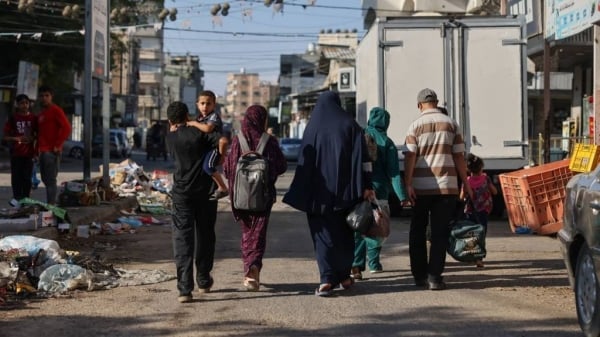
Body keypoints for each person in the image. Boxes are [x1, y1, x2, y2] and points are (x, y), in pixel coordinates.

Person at [283, 91, 375, 297]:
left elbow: (303, 162)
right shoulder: (350, 125)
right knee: (345, 233)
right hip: (348, 193)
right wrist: (367, 185)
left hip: (318, 194)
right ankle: (343, 275)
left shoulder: (312, 128)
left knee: (323, 235)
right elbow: (365, 160)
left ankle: (327, 278)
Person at [403, 88, 472, 291]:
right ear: (436, 102)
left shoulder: (414, 126)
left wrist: (408, 183)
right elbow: (459, 156)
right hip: (446, 188)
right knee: (439, 233)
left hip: (420, 187)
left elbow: (410, 157)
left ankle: (419, 276)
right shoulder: (452, 124)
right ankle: (434, 277)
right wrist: (465, 183)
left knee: (417, 231)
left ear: (419, 105)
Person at [223, 105, 287, 291]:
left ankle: (249, 270)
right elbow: (281, 166)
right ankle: (253, 269)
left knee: (247, 234)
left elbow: (227, 168)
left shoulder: (237, 141)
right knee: (257, 234)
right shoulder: (269, 141)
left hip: (240, 198)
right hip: (263, 197)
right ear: (263, 120)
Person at [165, 101, 220, 303]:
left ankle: (184, 289)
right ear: (188, 115)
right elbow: (220, 141)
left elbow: (173, 133)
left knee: (182, 239)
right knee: (205, 236)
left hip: (181, 194)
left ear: (170, 120)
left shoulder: (170, 138)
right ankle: (204, 281)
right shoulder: (200, 133)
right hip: (206, 193)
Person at [351, 107, 408, 279]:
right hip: (380, 191)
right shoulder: (387, 142)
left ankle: (356, 266)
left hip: (360, 189)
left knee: (360, 225)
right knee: (377, 225)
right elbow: (394, 173)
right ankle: (374, 263)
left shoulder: (359, 136)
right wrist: (402, 196)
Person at [186, 90, 229, 200]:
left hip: (214, 147)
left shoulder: (213, 116)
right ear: (197, 104)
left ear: (214, 105)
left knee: (208, 167)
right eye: (202, 103)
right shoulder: (200, 118)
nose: (205, 106)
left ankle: (223, 187)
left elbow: (208, 128)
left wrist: (193, 123)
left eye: (208, 104)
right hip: (206, 149)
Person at [460, 153, 497, 268]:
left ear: (468, 169)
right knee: (481, 234)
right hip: (483, 211)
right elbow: (495, 192)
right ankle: (479, 259)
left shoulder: (467, 181)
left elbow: (461, 197)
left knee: (471, 233)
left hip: (470, 211)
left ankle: (471, 256)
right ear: (481, 167)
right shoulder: (486, 179)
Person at [37, 86, 71, 205]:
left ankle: (51, 206)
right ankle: (50, 204)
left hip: (51, 151)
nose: (44, 98)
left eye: (47, 96)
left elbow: (66, 128)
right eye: (42, 96)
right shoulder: (41, 114)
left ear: (51, 97)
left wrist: (58, 145)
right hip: (42, 151)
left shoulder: (56, 110)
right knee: (45, 180)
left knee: (50, 180)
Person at [2, 94, 38, 207]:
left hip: (29, 153)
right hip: (16, 153)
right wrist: (16, 138)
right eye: (22, 103)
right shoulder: (13, 118)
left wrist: (34, 141)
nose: (25, 105)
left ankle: (26, 199)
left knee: (27, 178)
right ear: (17, 105)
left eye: (26, 103)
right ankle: (17, 199)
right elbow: (5, 137)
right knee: (16, 178)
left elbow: (38, 135)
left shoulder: (33, 118)